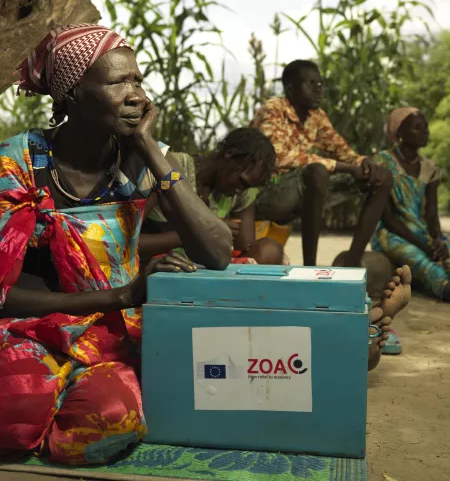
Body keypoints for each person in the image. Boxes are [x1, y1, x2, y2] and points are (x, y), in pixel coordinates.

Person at [0, 24, 232, 464]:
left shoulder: (146, 161)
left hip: (113, 338)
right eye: (117, 82)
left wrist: (150, 149)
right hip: (29, 329)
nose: (136, 95)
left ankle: (65, 401)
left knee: (105, 424)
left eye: (138, 80)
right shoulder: (19, 164)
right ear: (70, 96)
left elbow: (218, 251)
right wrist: (122, 295)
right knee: (13, 414)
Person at [250, 60, 393, 267]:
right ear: (290, 88)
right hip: (265, 194)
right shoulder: (273, 109)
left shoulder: (316, 116)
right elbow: (276, 157)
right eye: (310, 83)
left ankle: (352, 261)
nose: (318, 89)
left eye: (320, 84)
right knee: (317, 172)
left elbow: (342, 152)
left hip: (298, 191)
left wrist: (363, 162)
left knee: (381, 176)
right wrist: (344, 167)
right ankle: (310, 266)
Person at [141, 127, 285, 265]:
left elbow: (246, 252)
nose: (241, 190)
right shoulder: (169, 169)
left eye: (248, 187)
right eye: (242, 182)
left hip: (200, 269)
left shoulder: (237, 192)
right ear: (229, 154)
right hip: (157, 267)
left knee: (270, 250)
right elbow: (128, 244)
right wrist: (203, 233)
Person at [372, 108, 450, 302]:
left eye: (425, 127)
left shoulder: (430, 169)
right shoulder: (382, 162)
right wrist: (424, 246)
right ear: (399, 132)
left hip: (422, 233)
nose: (425, 131)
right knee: (423, 262)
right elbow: (388, 219)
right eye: (417, 127)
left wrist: (438, 240)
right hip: (392, 235)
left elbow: (431, 214)